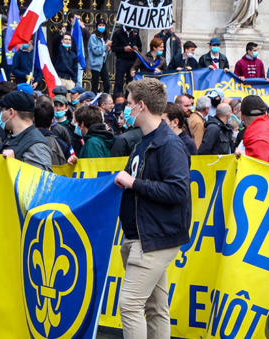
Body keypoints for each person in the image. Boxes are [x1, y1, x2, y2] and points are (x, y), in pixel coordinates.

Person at [113, 78, 190, 339]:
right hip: (145, 235)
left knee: (130, 305)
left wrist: (134, 183)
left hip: (154, 236)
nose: (126, 109)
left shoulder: (168, 144)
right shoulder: (145, 142)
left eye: (130, 104)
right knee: (156, 308)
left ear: (141, 106)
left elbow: (178, 191)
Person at [0, 91, 53, 170]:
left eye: (2, 110)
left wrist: (14, 164)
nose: (1, 114)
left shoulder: (37, 145)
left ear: (11, 112)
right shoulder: (13, 138)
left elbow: (39, 180)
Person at [238, 95, 269, 166]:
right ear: (266, 114)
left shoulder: (255, 139)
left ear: (241, 116)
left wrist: (243, 157)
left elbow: (259, 169)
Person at [112, 24, 142, 96]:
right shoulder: (118, 33)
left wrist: (135, 49)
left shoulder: (135, 33)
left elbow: (140, 47)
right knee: (119, 81)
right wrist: (123, 49)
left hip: (132, 61)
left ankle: (129, 98)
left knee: (131, 82)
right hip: (121, 60)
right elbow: (114, 48)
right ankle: (118, 98)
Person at [88, 19, 111, 94]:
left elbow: (107, 52)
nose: (101, 27)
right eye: (100, 25)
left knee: (107, 84)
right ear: (97, 26)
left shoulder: (105, 38)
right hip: (96, 63)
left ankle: (105, 98)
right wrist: (105, 46)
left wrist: (109, 49)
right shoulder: (93, 37)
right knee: (95, 84)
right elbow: (96, 51)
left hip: (103, 62)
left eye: (103, 25)